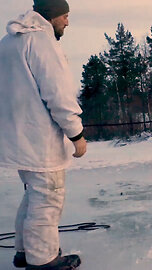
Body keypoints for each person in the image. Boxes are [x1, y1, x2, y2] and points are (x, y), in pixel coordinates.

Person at [0, 0, 86, 269]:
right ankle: (43, 259)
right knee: (48, 197)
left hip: (18, 139)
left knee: (34, 195)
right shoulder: (41, 43)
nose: (67, 22)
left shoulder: (9, 41)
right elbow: (58, 94)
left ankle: (25, 250)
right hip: (40, 140)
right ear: (51, 15)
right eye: (65, 16)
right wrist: (76, 134)